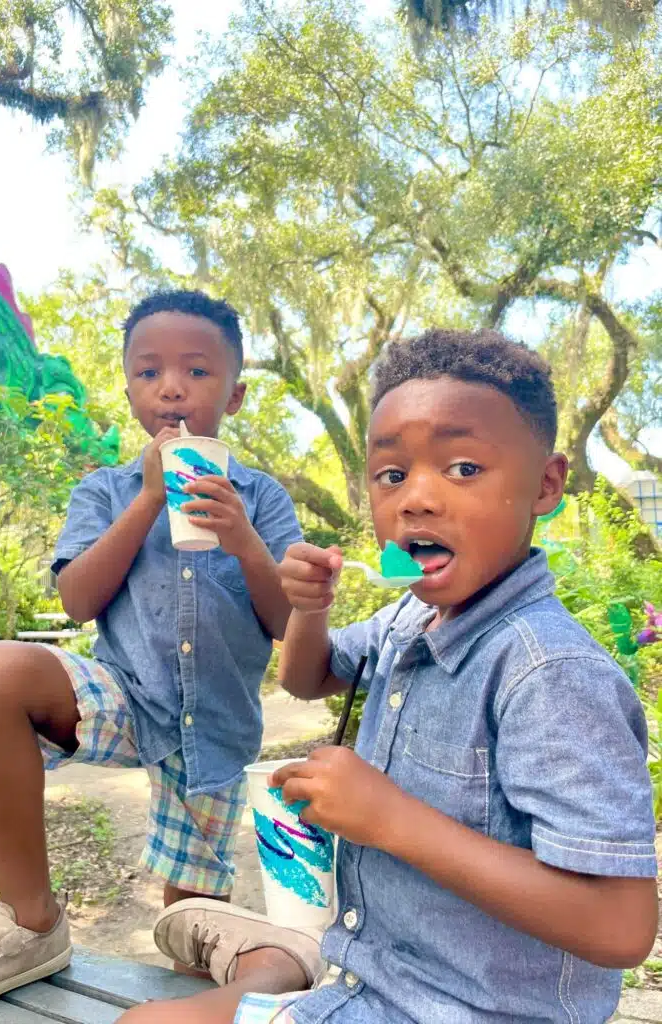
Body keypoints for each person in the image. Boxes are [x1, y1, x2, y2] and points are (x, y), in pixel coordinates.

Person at [118, 328, 658, 1024]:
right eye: (392, 475)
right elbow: (308, 678)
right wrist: (309, 608)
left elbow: (620, 927)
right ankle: (280, 963)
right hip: (372, 978)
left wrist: (390, 819)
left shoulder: (547, 674)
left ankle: (275, 963)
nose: (416, 499)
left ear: (546, 485)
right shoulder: (410, 617)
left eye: (464, 467)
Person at [0, 289, 302, 1021]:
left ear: (235, 396)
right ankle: (30, 921)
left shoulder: (261, 498)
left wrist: (244, 540)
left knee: (194, 914)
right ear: (129, 390)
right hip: (124, 694)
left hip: (215, 726)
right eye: (148, 371)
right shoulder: (104, 491)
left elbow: (287, 620)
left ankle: (194, 1002)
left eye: (198, 371)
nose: (171, 388)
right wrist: (147, 501)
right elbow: (78, 599)